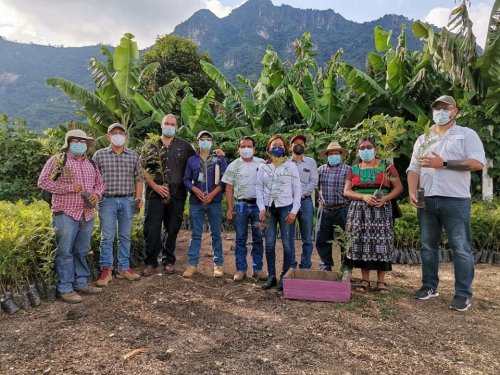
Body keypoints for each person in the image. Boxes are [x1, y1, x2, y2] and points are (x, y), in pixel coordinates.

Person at [407, 95, 485, 312]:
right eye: (437, 109)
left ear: (455, 111)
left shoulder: (466, 134)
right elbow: (413, 168)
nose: (440, 112)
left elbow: (477, 162)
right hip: (427, 198)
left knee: (461, 248)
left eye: (445, 108)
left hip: (455, 199)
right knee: (428, 247)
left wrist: (444, 163)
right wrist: (412, 191)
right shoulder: (424, 138)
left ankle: (463, 294)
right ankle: (429, 286)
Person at [38, 129, 105, 303]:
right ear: (68, 143)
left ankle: (81, 283)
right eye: (76, 141)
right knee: (65, 251)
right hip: (65, 213)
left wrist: (97, 194)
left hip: (87, 212)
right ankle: (65, 288)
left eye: (83, 142)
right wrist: (68, 188)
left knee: (82, 250)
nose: (80, 144)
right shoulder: (58, 160)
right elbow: (43, 181)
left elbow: (100, 184)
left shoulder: (91, 163)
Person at [343, 136, 403, 294]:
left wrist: (386, 198)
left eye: (368, 147)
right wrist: (362, 196)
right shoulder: (354, 169)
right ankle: (365, 279)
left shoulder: (386, 167)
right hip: (359, 210)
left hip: (380, 209)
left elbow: (398, 187)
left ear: (375, 149)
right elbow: (347, 191)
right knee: (362, 242)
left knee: (381, 242)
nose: (365, 150)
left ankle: (381, 281)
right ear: (357, 151)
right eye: (361, 148)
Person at [140, 114, 196, 276]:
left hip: (177, 195)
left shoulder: (185, 147)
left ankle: (169, 261)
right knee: (152, 228)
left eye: (172, 124)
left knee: (172, 228)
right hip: (154, 194)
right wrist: (155, 186)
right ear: (161, 125)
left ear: (177, 126)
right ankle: (150, 262)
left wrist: (216, 154)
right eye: (167, 123)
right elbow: (142, 170)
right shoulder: (150, 146)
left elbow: (198, 162)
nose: (169, 126)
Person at [93, 123, 144, 286]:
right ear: (108, 136)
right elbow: (93, 179)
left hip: (128, 200)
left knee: (124, 236)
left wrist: (138, 197)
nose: (118, 135)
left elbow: (139, 178)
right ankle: (106, 270)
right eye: (114, 133)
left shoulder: (133, 156)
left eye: (121, 133)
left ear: (126, 136)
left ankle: (123, 268)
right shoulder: (99, 156)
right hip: (106, 200)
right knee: (107, 237)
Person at [256, 135, 301, 291]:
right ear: (268, 148)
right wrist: (261, 208)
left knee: (287, 245)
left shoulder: (290, 166)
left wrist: (294, 211)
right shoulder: (263, 167)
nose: (277, 147)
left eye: (280, 145)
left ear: (285, 148)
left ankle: (284, 276)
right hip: (268, 210)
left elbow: (297, 188)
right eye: (274, 145)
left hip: (285, 208)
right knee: (269, 244)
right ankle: (271, 276)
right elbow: (259, 188)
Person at [183, 131, 228, 278]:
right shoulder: (192, 160)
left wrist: (213, 194)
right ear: (198, 142)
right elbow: (186, 180)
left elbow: (224, 180)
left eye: (209, 139)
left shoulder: (219, 159)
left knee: (216, 233)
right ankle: (192, 265)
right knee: (196, 234)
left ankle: (218, 265)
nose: (206, 142)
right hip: (196, 202)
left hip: (214, 202)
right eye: (203, 139)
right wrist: (195, 190)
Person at [222, 136, 267, 282]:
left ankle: (257, 269)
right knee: (240, 238)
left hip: (258, 206)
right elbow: (229, 187)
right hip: (240, 205)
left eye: (249, 146)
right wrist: (230, 208)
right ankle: (241, 269)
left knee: (258, 238)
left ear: (254, 148)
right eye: (243, 146)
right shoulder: (233, 166)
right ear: (238, 149)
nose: (246, 149)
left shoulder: (262, 163)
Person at [316, 141, 351, 271]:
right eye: (331, 154)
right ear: (327, 155)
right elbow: (314, 187)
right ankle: (326, 265)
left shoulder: (348, 170)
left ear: (341, 155)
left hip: (342, 208)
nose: (334, 155)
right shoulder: (320, 170)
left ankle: (346, 267)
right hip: (324, 209)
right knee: (322, 238)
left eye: (336, 153)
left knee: (345, 239)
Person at [288, 135, 318, 270]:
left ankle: (305, 266)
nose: (299, 144)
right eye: (295, 143)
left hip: (305, 202)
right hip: (288, 203)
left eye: (301, 143)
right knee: (289, 236)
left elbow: (314, 182)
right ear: (290, 147)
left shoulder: (311, 162)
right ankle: (290, 265)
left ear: (305, 147)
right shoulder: (285, 163)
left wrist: (299, 196)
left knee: (307, 237)